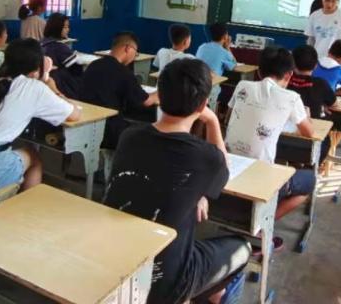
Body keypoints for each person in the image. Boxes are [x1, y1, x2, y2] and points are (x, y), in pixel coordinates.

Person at [105, 59, 251, 304]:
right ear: (203, 104)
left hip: (116, 262)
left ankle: (209, 293)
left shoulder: (129, 136)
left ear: (159, 96)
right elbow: (223, 168)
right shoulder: (207, 157)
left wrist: (197, 194)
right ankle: (211, 296)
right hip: (168, 284)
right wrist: (213, 121)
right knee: (241, 247)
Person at [0, 38, 79, 192]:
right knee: (34, 157)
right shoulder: (35, 88)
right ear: (37, 67)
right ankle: (26, 204)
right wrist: (54, 89)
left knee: (12, 150)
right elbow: (73, 115)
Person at [225, 46, 315, 223]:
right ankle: (264, 224)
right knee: (309, 181)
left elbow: (229, 117)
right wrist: (307, 117)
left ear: (259, 71)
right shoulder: (292, 98)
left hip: (228, 167)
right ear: (289, 75)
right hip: (260, 177)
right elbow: (309, 133)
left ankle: (259, 219)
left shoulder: (243, 86)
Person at [80, 32, 159, 149]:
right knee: (150, 135)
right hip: (110, 130)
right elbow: (146, 101)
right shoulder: (123, 72)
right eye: (136, 53)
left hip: (85, 125)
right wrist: (160, 93)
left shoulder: (93, 65)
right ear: (127, 48)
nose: (135, 56)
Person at [289, 45, 336, 120]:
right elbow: (334, 103)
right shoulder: (321, 84)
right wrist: (322, 104)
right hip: (313, 124)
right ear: (316, 65)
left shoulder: (285, 81)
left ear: (292, 64)